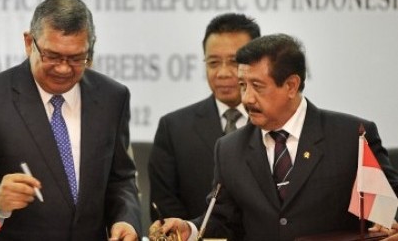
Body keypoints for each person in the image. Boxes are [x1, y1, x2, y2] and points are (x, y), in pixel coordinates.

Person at [149, 33, 398, 241]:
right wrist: (190, 229)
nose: (246, 98)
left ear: (291, 85)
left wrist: (394, 222)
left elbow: (392, 204)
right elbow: (223, 218)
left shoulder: (351, 136)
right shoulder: (229, 149)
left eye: (257, 86)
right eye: (243, 85)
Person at [0, 0, 141, 240]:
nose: (63, 68)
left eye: (76, 58)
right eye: (52, 55)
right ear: (29, 43)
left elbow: (121, 179)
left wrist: (126, 220)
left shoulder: (113, 97)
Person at [148, 13, 261, 221]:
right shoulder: (174, 129)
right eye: (213, 63)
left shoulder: (273, 124)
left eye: (234, 62)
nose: (223, 73)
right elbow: (165, 207)